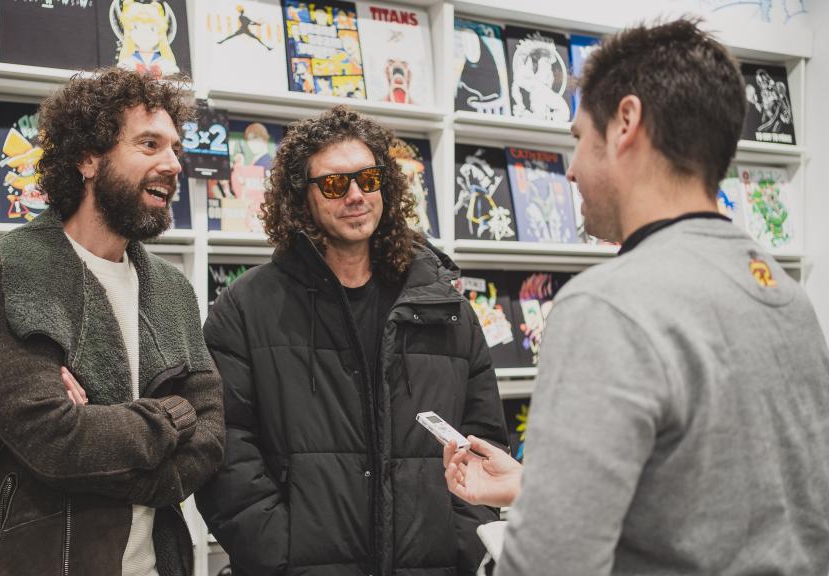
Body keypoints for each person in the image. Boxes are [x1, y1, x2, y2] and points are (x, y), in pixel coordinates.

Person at [443, 19, 829, 576]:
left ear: (626, 122)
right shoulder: (789, 298)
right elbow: (728, 503)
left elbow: (550, 565)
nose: (571, 171)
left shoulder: (607, 305)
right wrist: (538, 489)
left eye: (578, 139)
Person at [197, 105, 509, 575]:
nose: (357, 195)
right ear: (300, 198)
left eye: (369, 178)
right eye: (335, 184)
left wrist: (462, 545)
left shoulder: (444, 307)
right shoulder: (247, 307)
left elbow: (482, 439)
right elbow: (225, 453)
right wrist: (281, 556)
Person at [0, 68, 224, 575]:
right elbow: (55, 442)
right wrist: (169, 418)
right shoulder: (8, 275)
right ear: (87, 158)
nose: (173, 164)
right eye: (149, 144)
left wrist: (108, 435)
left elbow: (210, 435)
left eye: (175, 148)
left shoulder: (171, 288)